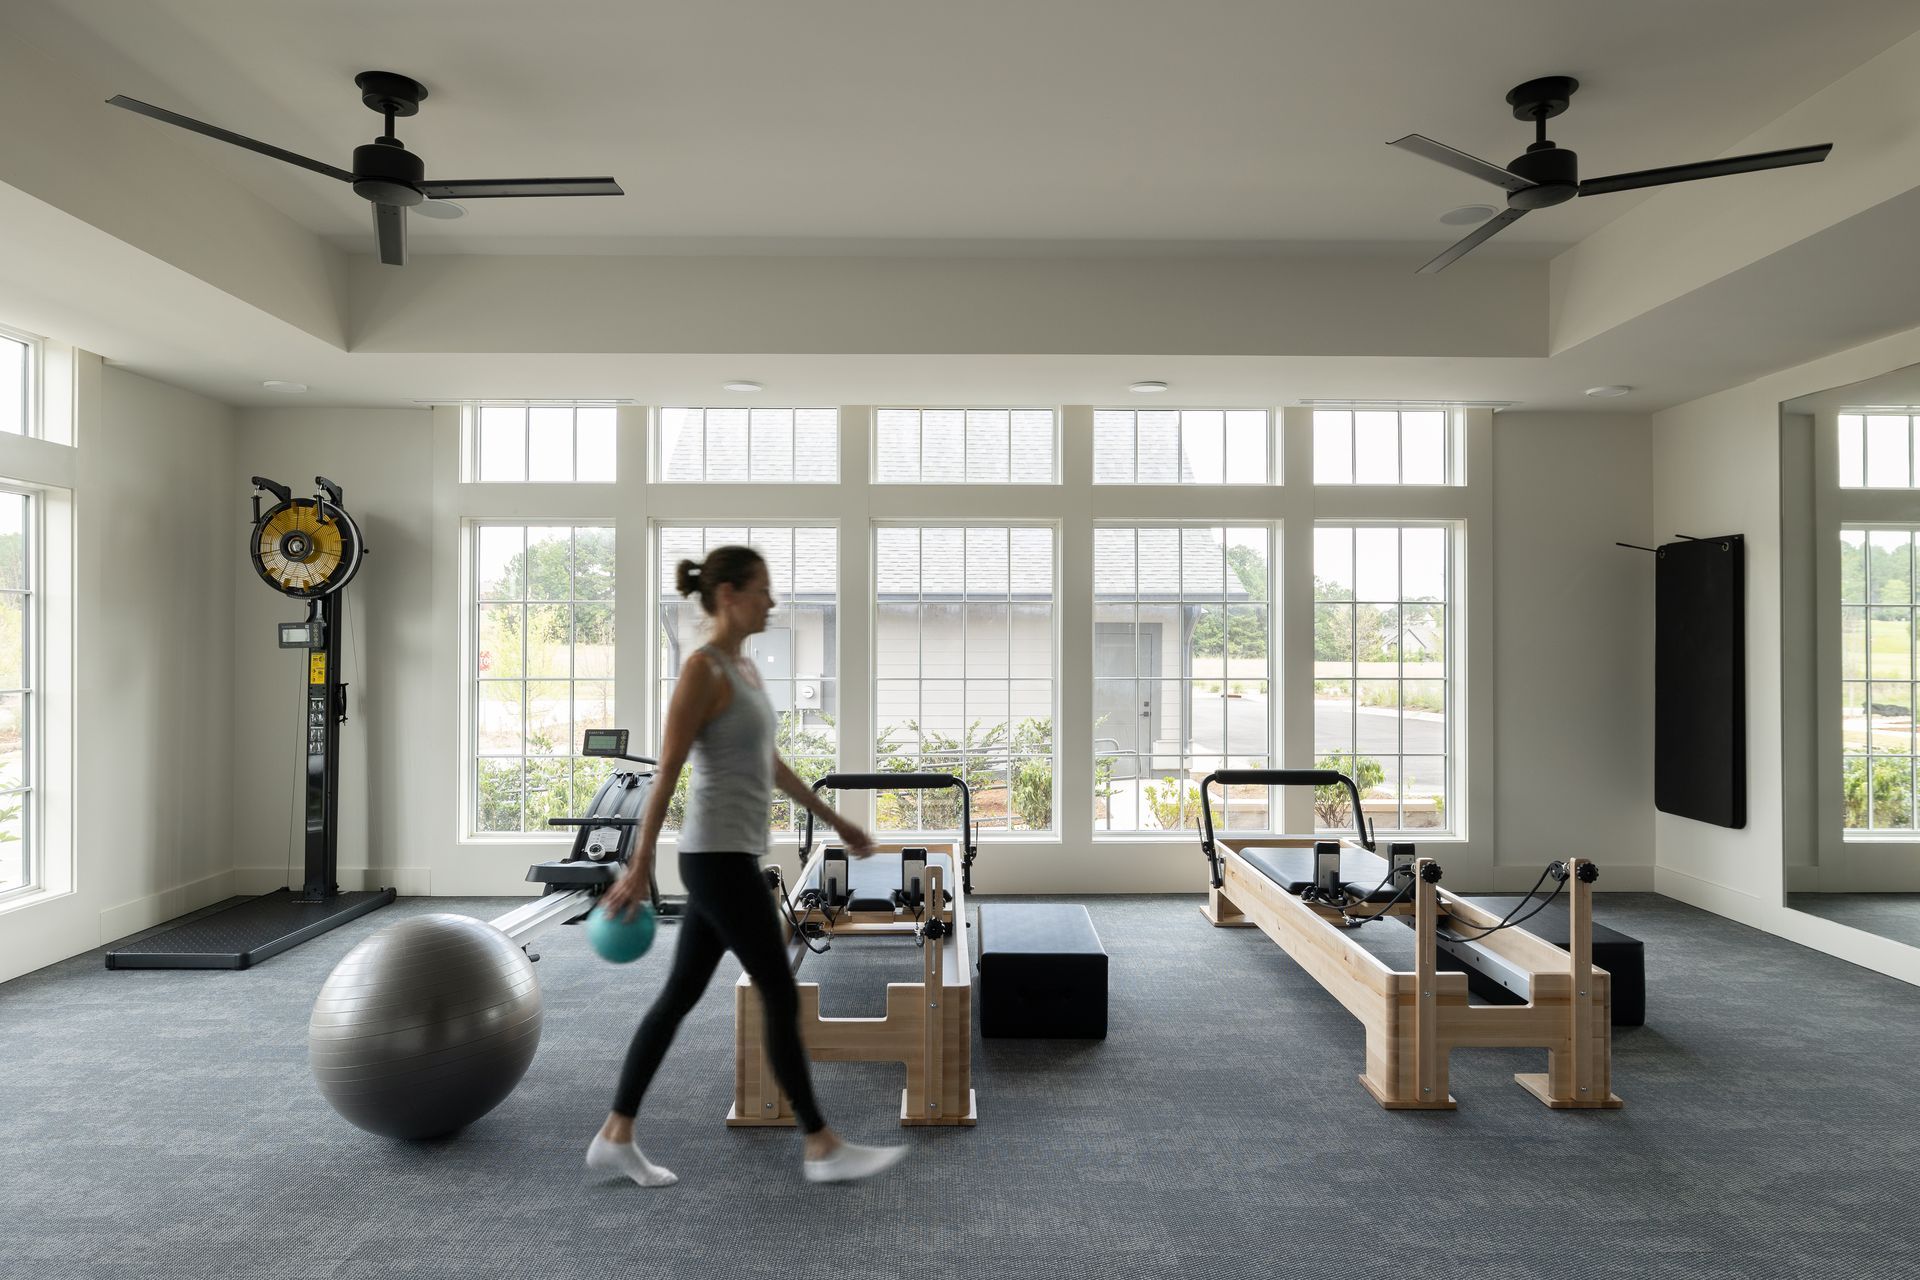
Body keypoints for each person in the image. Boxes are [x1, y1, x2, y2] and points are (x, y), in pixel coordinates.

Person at [585, 544, 907, 1187]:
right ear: (729, 595)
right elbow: (668, 770)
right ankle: (821, 1145)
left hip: (729, 856)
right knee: (779, 991)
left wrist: (836, 819)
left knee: (678, 996)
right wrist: (638, 864)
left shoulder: (745, 670)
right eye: (762, 589)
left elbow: (771, 763)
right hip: (716, 860)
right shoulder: (701, 670)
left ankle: (616, 1135)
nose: (772, 601)